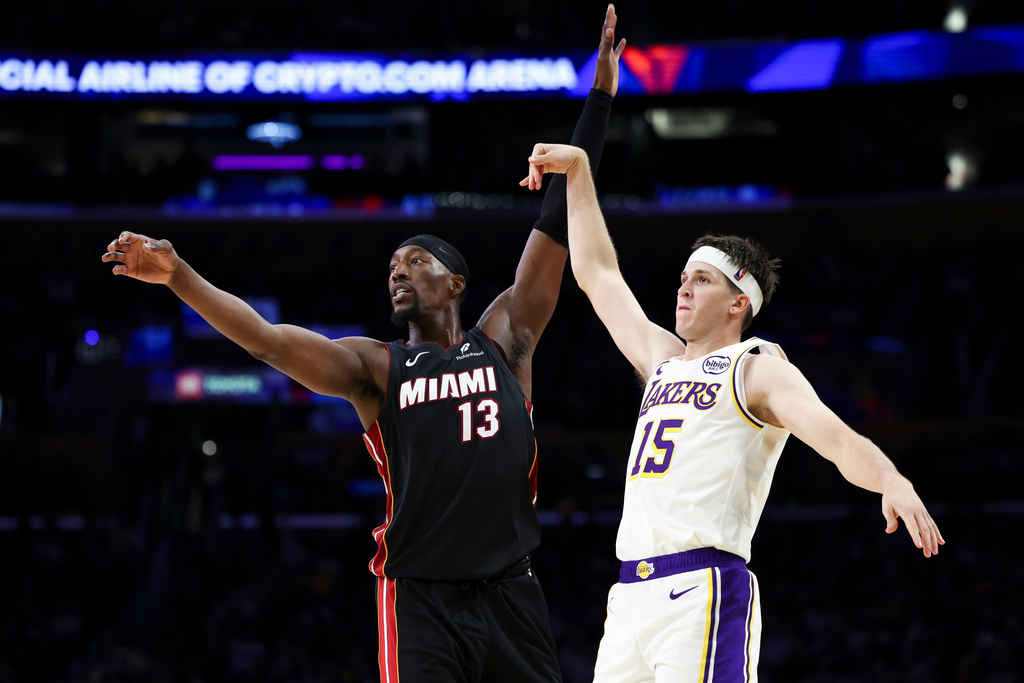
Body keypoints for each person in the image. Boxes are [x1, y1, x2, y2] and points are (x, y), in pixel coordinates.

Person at [101, 8, 625, 682]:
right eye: (391, 267)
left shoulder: (508, 336)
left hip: (511, 590)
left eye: (414, 260)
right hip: (419, 594)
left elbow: (556, 219)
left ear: (455, 280)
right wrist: (180, 276)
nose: (397, 270)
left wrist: (601, 99)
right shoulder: (376, 366)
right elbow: (266, 343)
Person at [521, 144, 944, 681]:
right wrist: (579, 171)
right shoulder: (662, 360)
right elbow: (597, 272)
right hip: (629, 595)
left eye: (701, 279)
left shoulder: (756, 367)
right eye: (682, 277)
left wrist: (890, 479)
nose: (683, 287)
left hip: (701, 585)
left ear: (738, 300)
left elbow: (835, 439)